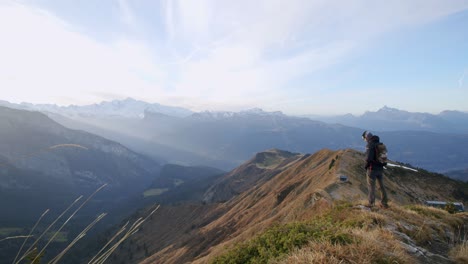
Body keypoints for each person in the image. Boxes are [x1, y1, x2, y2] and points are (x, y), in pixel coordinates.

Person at [362, 131, 389, 208]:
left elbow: (368, 158)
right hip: (380, 168)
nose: (365, 140)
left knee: (371, 186)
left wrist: (366, 166)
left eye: (364, 139)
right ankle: (384, 203)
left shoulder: (370, 145)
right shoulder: (380, 144)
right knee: (381, 186)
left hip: (372, 169)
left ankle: (371, 203)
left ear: (367, 137)